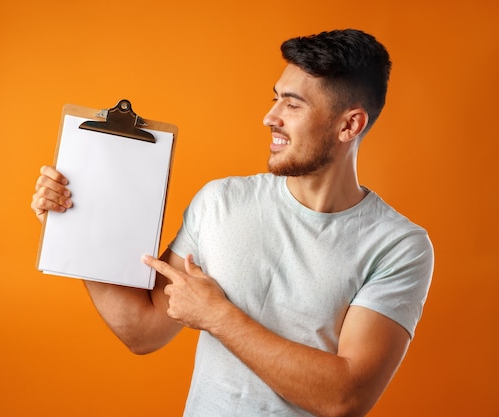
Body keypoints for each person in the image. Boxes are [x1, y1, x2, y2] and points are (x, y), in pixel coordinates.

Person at [31, 29, 433, 417]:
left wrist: (217, 316)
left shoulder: (397, 246)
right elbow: (143, 330)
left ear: (350, 125)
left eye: (292, 105)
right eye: (275, 99)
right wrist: (78, 221)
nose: (269, 117)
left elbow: (345, 397)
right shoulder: (221, 201)